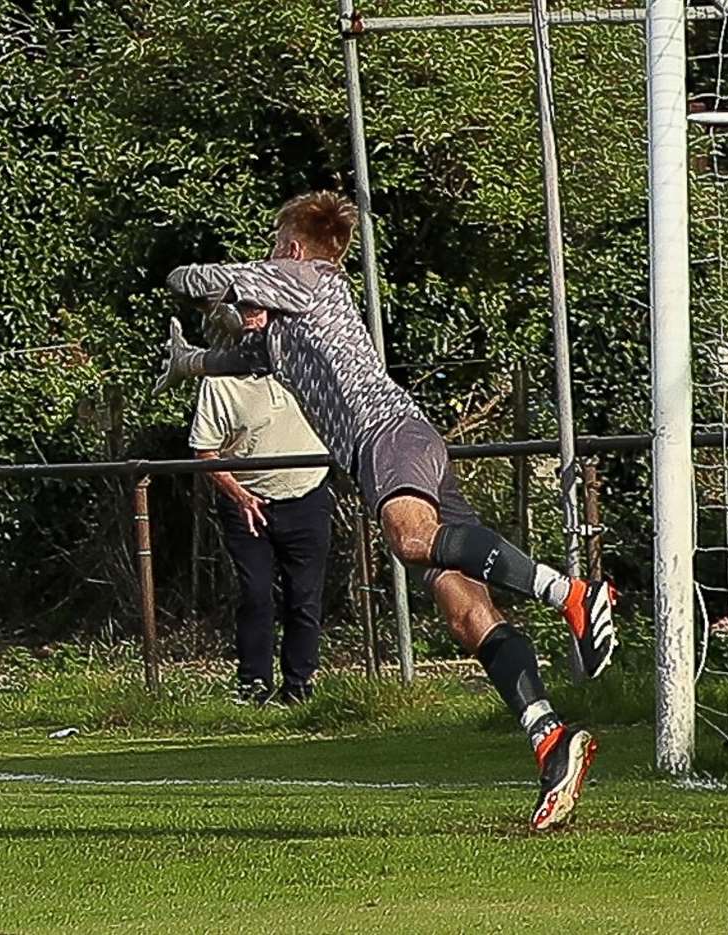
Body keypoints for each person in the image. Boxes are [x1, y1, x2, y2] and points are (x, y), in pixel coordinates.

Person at [155, 192, 618, 831]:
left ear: (290, 249)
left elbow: (209, 280)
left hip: (388, 436)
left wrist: (202, 286)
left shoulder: (311, 279)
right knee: (465, 609)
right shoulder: (288, 331)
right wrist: (189, 359)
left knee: (408, 538)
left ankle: (570, 592)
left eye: (272, 245)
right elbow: (233, 355)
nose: (268, 254)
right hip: (403, 444)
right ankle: (550, 740)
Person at [191, 309, 334, 705]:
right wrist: (240, 496)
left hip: (307, 495)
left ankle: (299, 688)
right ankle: (253, 685)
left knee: (304, 598)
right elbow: (206, 451)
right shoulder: (218, 382)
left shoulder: (303, 365)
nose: (254, 323)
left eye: (261, 314)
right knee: (255, 595)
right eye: (247, 315)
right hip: (248, 504)